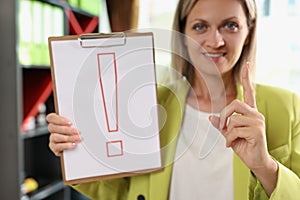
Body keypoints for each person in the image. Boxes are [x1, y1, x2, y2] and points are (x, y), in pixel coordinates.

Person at [46, 0, 300, 199]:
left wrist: (265, 166)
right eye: (200, 26)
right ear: (183, 34)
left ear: (249, 31)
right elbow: (121, 191)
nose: (216, 41)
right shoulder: (149, 102)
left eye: (230, 25)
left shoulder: (286, 107)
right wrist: (76, 152)